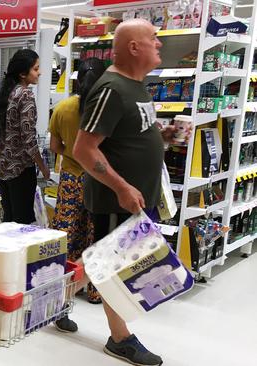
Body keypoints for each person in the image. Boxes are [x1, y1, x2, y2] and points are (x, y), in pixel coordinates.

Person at [73, 19, 185, 366]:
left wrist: (161, 136)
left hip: (138, 200)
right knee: (110, 268)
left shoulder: (138, 87)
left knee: (101, 264)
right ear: (134, 47)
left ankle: (49, 299)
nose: (159, 44)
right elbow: (84, 149)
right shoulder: (112, 89)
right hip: (116, 200)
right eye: (154, 39)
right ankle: (120, 339)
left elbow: (128, 134)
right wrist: (121, 187)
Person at [49, 58, 106, 318]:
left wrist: (72, 156)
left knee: (65, 233)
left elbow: (54, 147)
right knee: (95, 234)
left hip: (71, 178)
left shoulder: (62, 108)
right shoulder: (105, 110)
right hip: (98, 180)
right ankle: (93, 290)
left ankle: (58, 286)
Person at [0, 49, 50, 224]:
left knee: (9, 219)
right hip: (20, 169)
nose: (39, 72)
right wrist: (43, 166)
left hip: (3, 167)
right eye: (35, 69)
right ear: (23, 73)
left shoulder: (7, 93)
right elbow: (28, 139)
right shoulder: (25, 95)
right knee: (23, 221)